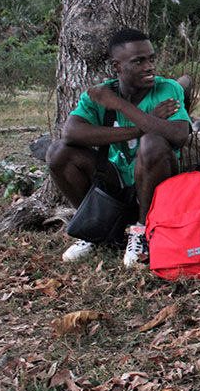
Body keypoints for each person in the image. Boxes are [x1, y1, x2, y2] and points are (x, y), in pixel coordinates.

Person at [47, 28, 191, 266]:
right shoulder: (102, 94)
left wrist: (121, 107)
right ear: (117, 66)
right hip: (114, 179)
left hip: (154, 184)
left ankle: (143, 232)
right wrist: (143, 126)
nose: (149, 67)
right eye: (139, 61)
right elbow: (71, 133)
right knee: (58, 152)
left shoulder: (165, 89)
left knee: (153, 143)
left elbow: (179, 134)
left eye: (151, 59)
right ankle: (94, 229)